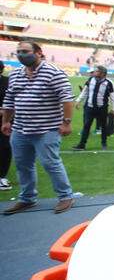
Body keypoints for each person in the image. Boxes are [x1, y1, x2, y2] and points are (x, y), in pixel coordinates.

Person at [1, 41, 75, 215]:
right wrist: (6, 121)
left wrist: (66, 122)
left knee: (51, 163)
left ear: (39, 52)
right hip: (20, 128)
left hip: (46, 129)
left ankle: (65, 196)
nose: (21, 54)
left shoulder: (53, 72)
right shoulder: (16, 75)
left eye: (25, 51)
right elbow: (9, 101)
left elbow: (66, 98)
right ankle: (27, 199)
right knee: (22, 165)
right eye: (18, 51)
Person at [72, 65, 114, 151]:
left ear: (102, 73)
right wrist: (78, 101)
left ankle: (104, 143)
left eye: (97, 71)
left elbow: (113, 96)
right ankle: (82, 144)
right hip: (90, 107)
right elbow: (85, 91)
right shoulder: (90, 80)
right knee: (86, 125)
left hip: (102, 108)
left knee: (103, 126)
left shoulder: (109, 83)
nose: (95, 72)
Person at [0, 61, 12, 190]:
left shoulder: (8, 82)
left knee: (5, 148)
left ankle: (2, 176)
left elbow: (13, 100)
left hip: (6, 121)